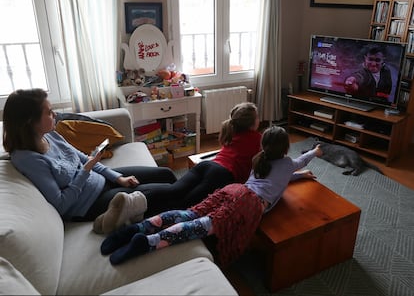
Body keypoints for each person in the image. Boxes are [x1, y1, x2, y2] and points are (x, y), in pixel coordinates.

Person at [100, 126, 323, 267]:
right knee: (201, 226)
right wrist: (315, 152)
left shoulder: (259, 159)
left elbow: (278, 179)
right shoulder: (287, 163)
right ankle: (148, 243)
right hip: (249, 203)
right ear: (285, 149)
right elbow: (297, 164)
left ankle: (135, 230)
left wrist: (299, 176)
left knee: (190, 213)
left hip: (235, 190)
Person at [2, 88, 177, 225]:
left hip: (99, 180)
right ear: (30, 122)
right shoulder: (27, 159)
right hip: (88, 204)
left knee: (166, 174)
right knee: (171, 192)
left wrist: (118, 178)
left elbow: (84, 159)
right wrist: (86, 170)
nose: (54, 114)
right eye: (48, 112)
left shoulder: (49, 134)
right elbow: (61, 205)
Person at [123, 102, 262, 218]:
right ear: (251, 123)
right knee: (184, 204)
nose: (259, 120)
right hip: (222, 175)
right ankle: (142, 215)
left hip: (207, 165)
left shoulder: (232, 132)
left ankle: (132, 200)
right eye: (257, 117)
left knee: (174, 189)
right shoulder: (258, 138)